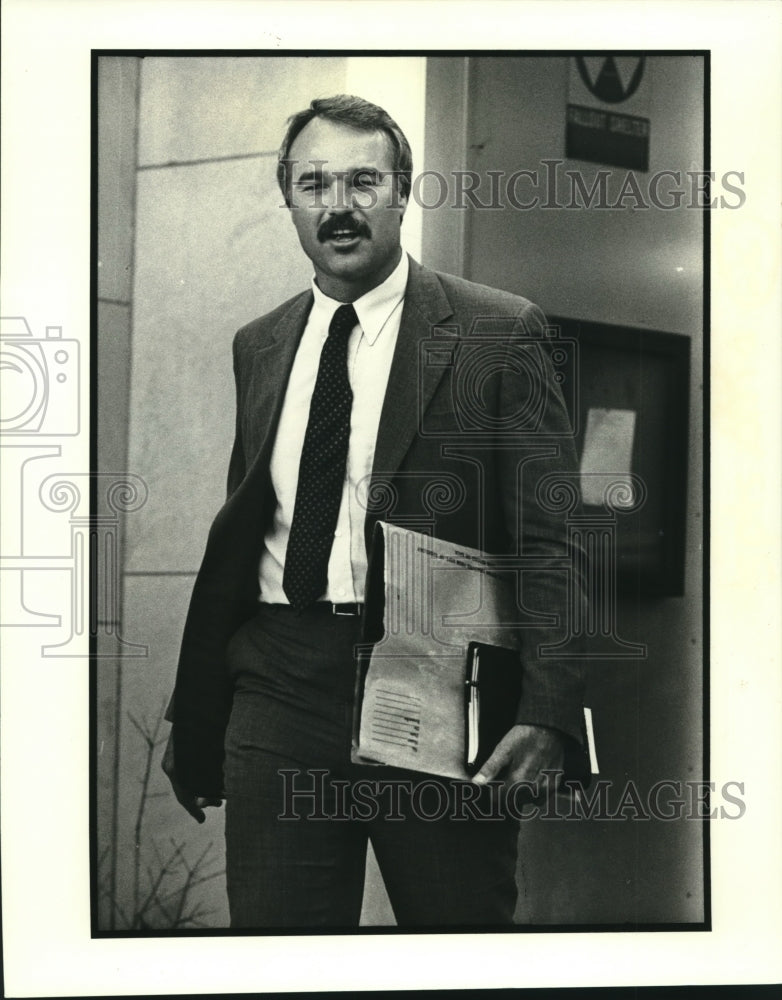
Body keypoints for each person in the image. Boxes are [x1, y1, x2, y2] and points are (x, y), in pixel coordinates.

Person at [162, 94, 586, 929]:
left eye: (364, 181)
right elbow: (246, 529)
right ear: (287, 196)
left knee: (457, 948)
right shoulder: (260, 343)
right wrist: (204, 703)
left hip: (433, 680)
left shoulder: (499, 333)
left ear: (403, 191)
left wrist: (547, 711)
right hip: (278, 682)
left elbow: (554, 540)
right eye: (314, 182)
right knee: (278, 960)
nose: (339, 205)